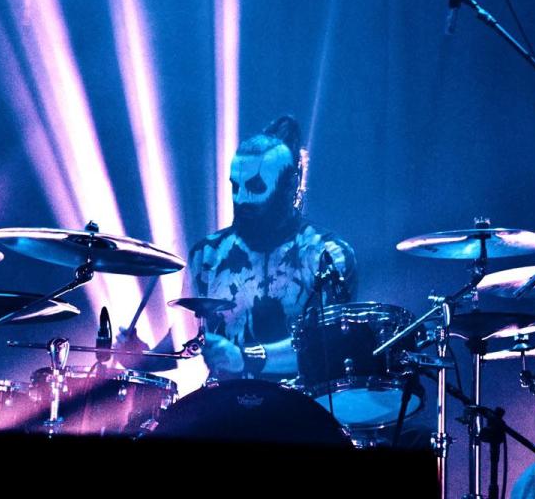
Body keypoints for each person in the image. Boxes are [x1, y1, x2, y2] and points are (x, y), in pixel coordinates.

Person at [117, 115, 356, 381]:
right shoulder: (207, 255)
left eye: (255, 187)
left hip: (298, 403)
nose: (240, 199)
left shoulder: (327, 255)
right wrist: (143, 358)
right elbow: (191, 337)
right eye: (235, 186)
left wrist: (246, 358)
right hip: (225, 403)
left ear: (290, 186)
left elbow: (326, 345)